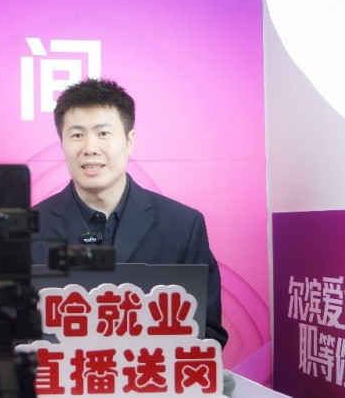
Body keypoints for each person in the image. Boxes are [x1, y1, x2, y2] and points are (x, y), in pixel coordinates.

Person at [34, 78, 228, 348]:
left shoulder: (183, 226)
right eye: (77, 135)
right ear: (62, 142)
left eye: (103, 133)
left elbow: (207, 333)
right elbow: (12, 337)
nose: (90, 148)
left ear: (129, 141)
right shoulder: (28, 231)